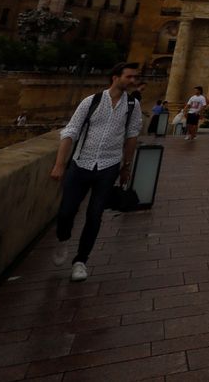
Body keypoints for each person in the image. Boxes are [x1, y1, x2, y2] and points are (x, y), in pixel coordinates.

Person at [49, 62, 143, 282]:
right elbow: (70, 131)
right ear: (115, 77)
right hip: (81, 163)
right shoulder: (91, 102)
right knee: (66, 212)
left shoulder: (132, 105)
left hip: (109, 166)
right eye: (129, 77)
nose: (133, 81)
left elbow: (131, 136)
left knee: (94, 215)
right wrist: (60, 163)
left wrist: (126, 166)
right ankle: (63, 239)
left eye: (134, 77)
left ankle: (81, 260)